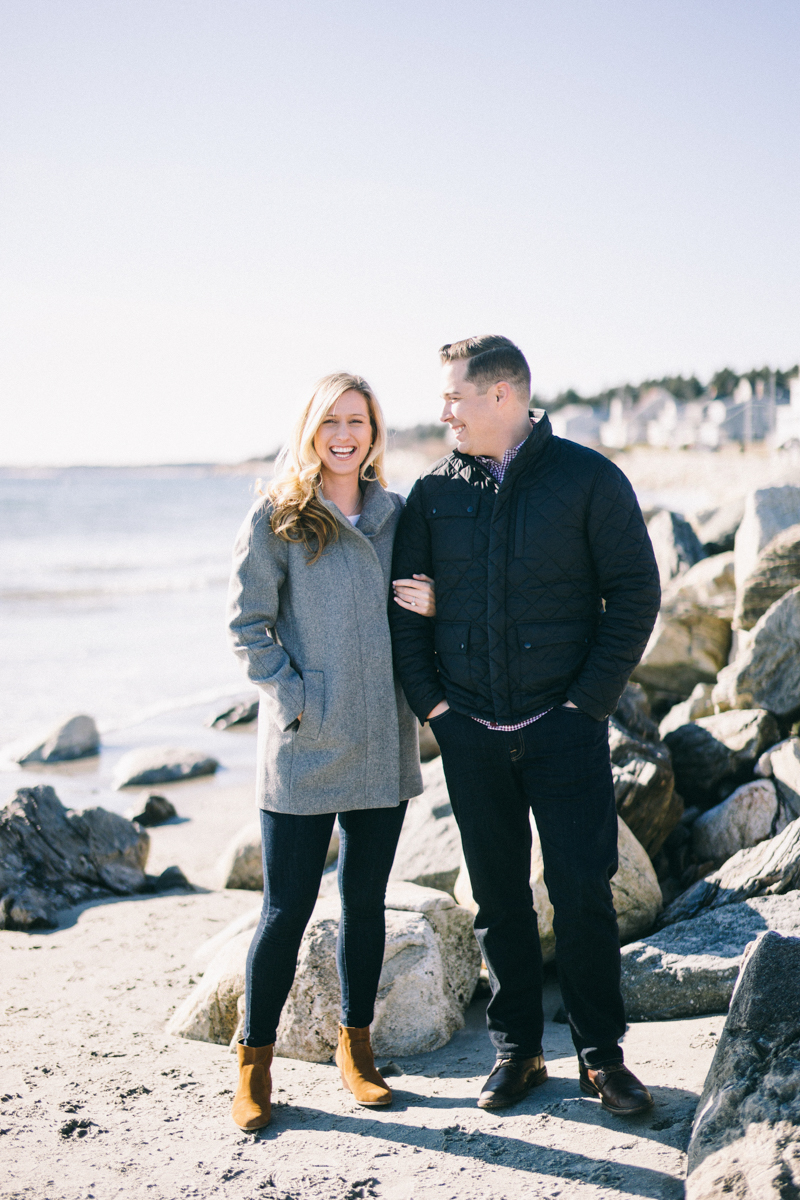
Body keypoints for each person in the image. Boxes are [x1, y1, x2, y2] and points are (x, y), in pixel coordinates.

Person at [389, 335, 661, 1116]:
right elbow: (407, 611)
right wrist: (436, 709)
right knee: (498, 897)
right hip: (471, 733)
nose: (442, 411)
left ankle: (601, 1057)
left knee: (583, 892)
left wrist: (587, 703)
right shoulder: (433, 494)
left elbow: (634, 594)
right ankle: (517, 1052)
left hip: (566, 728)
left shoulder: (588, 480)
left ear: (502, 395)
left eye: (454, 397)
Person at [226, 372, 435, 1131]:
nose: (344, 434)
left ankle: (358, 1051)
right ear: (310, 429)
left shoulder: (398, 515)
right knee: (285, 910)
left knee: (366, 904)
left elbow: (423, 601)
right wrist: (297, 697)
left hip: (383, 735)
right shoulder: (278, 516)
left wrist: (435, 604)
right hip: (303, 744)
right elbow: (247, 626)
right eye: (331, 421)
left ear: (375, 432)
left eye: (359, 421)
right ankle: (254, 1064)